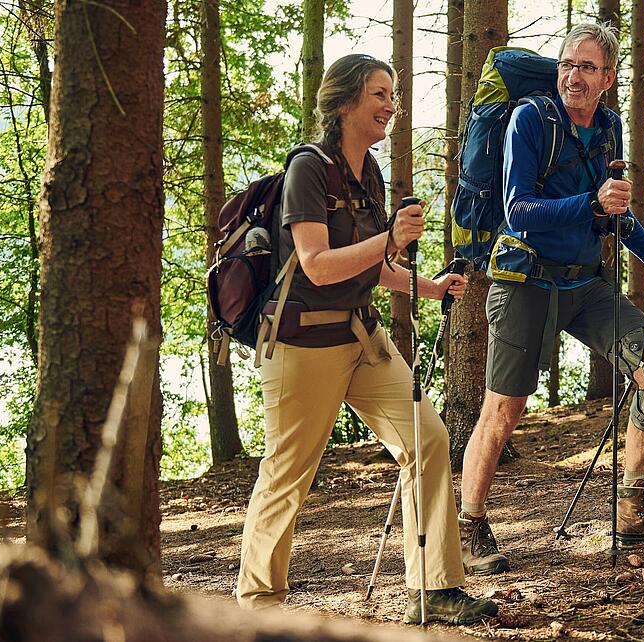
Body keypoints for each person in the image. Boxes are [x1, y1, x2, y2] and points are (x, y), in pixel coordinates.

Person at [236, 54, 497, 625]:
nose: (391, 105)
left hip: (361, 336)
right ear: (346, 101)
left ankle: (434, 587)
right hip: (303, 343)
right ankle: (258, 610)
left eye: (393, 95)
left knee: (427, 441)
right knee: (287, 476)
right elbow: (316, 263)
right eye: (380, 94)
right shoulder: (309, 169)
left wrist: (429, 287)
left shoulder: (368, 172)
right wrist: (391, 239)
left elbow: (371, 264)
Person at [458, 23, 644, 576]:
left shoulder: (608, 128)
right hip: (525, 280)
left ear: (608, 78)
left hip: (586, 284)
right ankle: (469, 524)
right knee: (503, 411)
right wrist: (589, 204)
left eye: (587, 67)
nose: (574, 76)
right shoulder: (531, 120)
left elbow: (615, 212)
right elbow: (518, 210)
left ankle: (635, 509)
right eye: (568, 64)